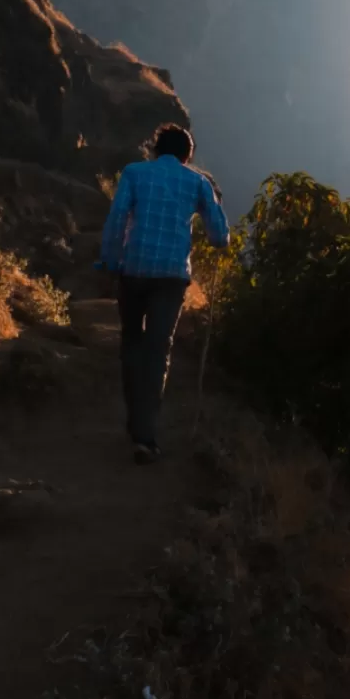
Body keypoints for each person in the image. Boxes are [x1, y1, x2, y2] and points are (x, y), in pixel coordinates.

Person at [98, 122, 230, 463]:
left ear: (155, 149)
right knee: (158, 350)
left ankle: (133, 421)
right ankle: (145, 435)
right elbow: (219, 237)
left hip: (135, 269)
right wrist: (215, 205)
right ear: (187, 156)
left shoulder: (134, 173)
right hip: (171, 276)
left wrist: (111, 261)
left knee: (131, 343)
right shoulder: (198, 182)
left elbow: (116, 219)